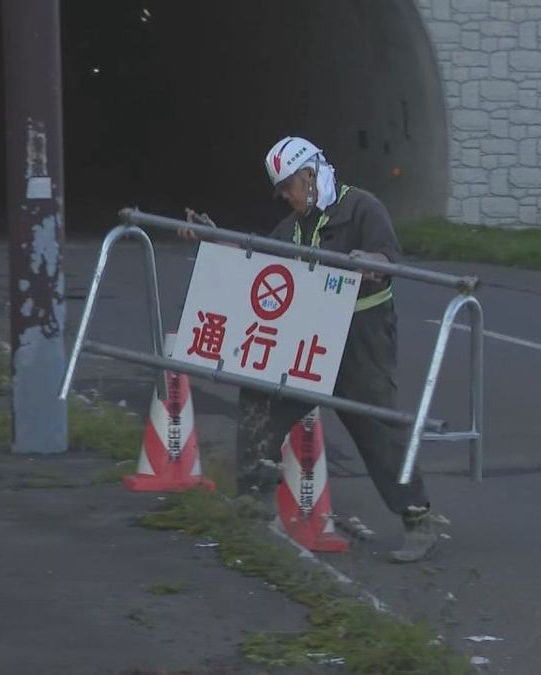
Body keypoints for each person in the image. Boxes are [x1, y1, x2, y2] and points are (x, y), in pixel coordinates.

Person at [180, 136, 442, 563]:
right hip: (310, 331)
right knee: (263, 391)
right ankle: (253, 500)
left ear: (310, 173)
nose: (286, 196)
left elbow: (390, 258)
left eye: (289, 186)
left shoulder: (362, 208)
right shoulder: (295, 226)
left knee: (375, 424)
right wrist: (212, 237)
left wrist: (370, 263)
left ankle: (419, 518)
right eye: (281, 190)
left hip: (362, 332)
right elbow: (260, 257)